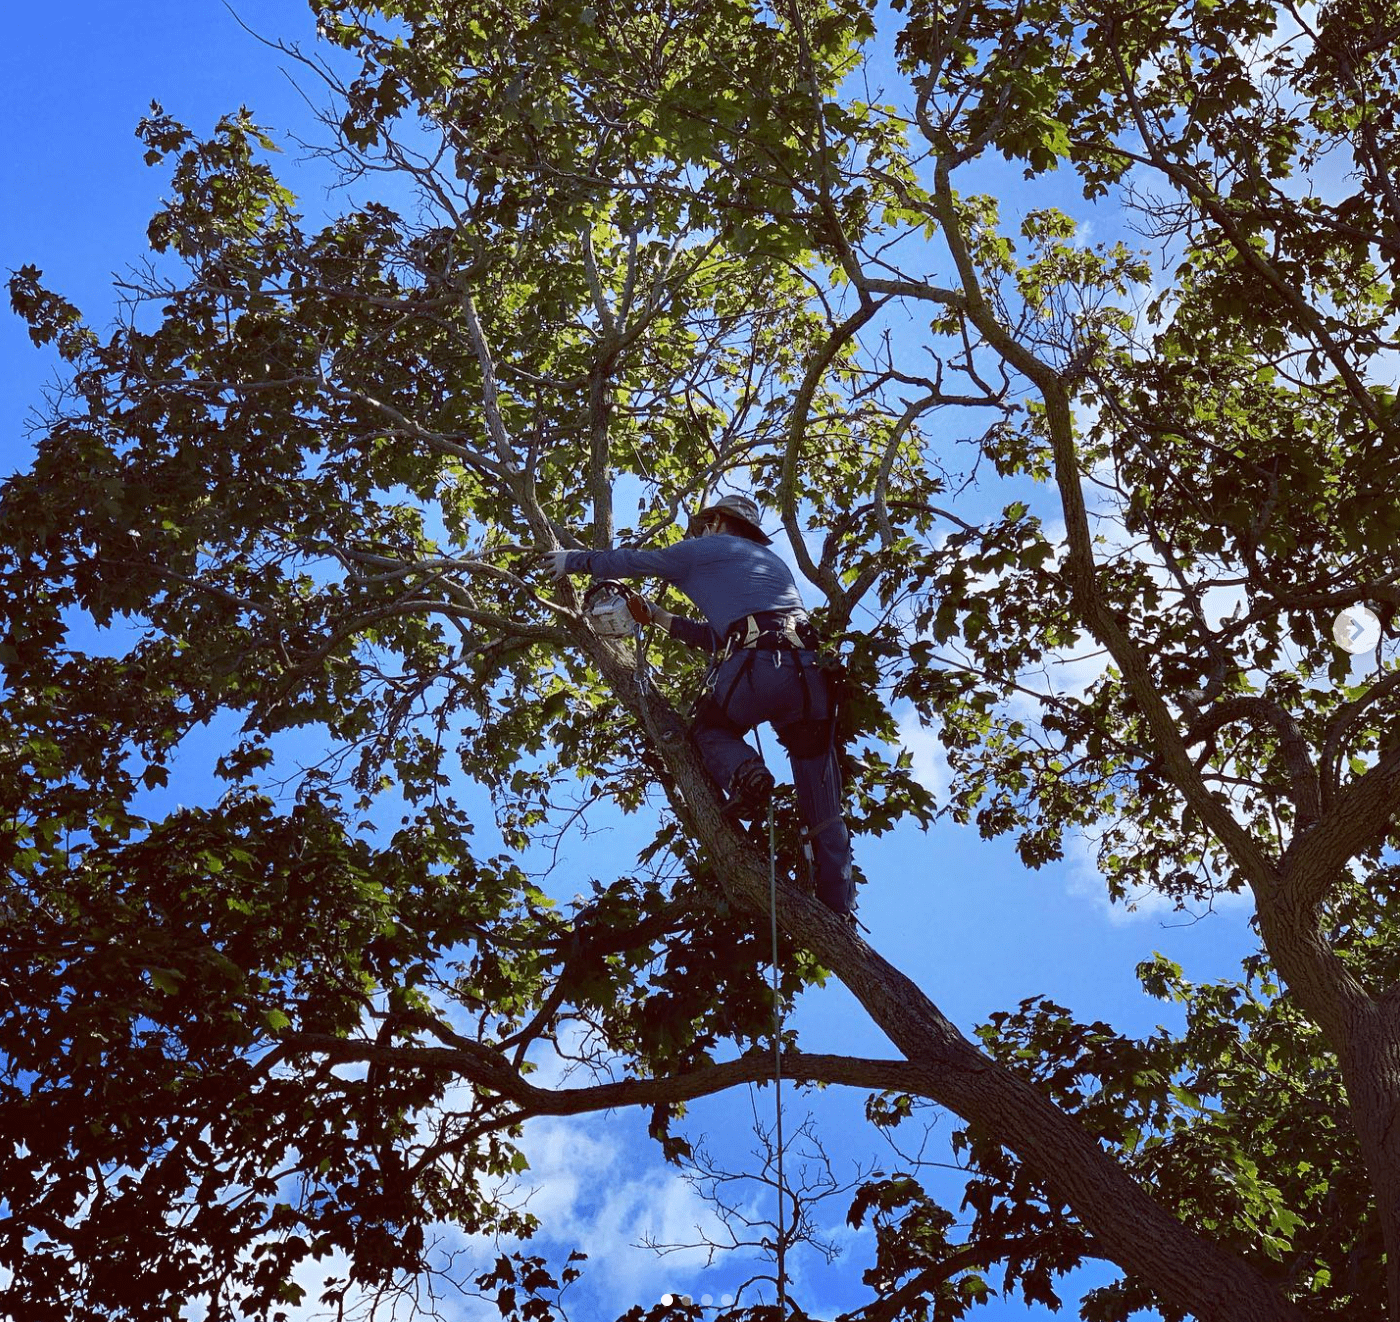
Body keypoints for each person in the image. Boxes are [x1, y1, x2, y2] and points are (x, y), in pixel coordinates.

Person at [541, 495, 855, 919]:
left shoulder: (704, 550)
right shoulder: (771, 564)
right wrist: (657, 616)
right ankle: (840, 907)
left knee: (710, 732)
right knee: (822, 800)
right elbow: (721, 636)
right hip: (807, 676)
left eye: (706, 524)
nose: (701, 530)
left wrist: (575, 561)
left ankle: (746, 775)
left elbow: (635, 561)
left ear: (719, 522)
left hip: (758, 668)